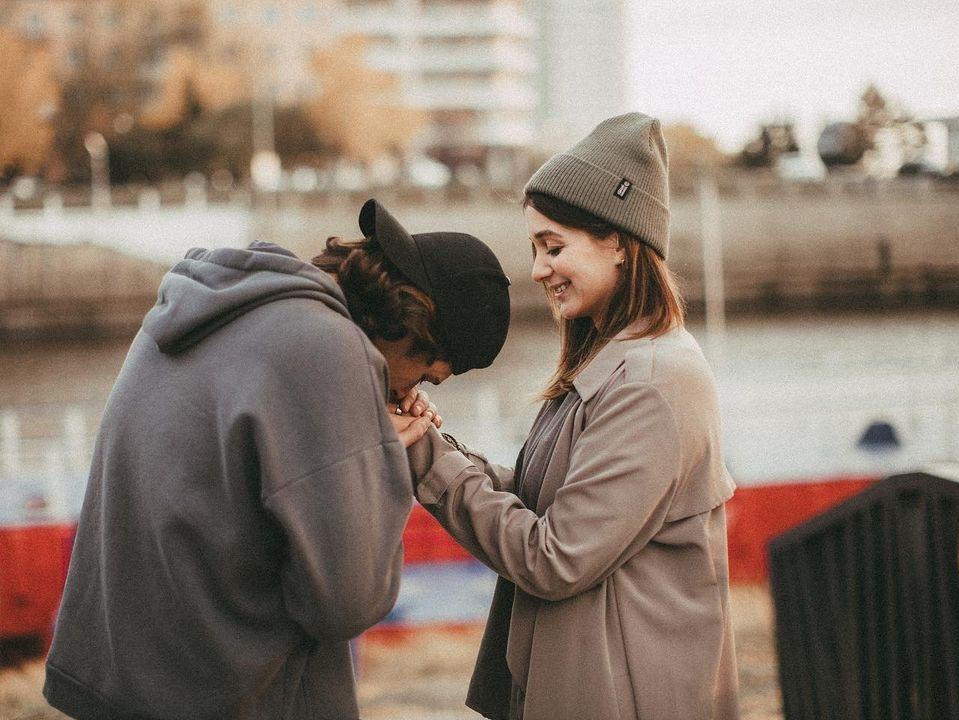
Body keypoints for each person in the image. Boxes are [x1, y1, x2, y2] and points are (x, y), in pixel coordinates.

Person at [43, 199, 511, 720]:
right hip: (231, 696)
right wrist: (375, 463)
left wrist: (354, 428)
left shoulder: (217, 302)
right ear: (413, 324)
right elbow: (349, 601)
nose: (408, 393)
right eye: (424, 376)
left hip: (122, 677)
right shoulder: (328, 348)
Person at [402, 114, 739, 719]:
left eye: (554, 247)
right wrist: (429, 441)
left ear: (619, 241)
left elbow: (554, 557)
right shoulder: (617, 365)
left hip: (626, 696)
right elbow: (539, 500)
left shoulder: (652, 384)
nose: (538, 270)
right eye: (536, 249)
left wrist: (426, 461)